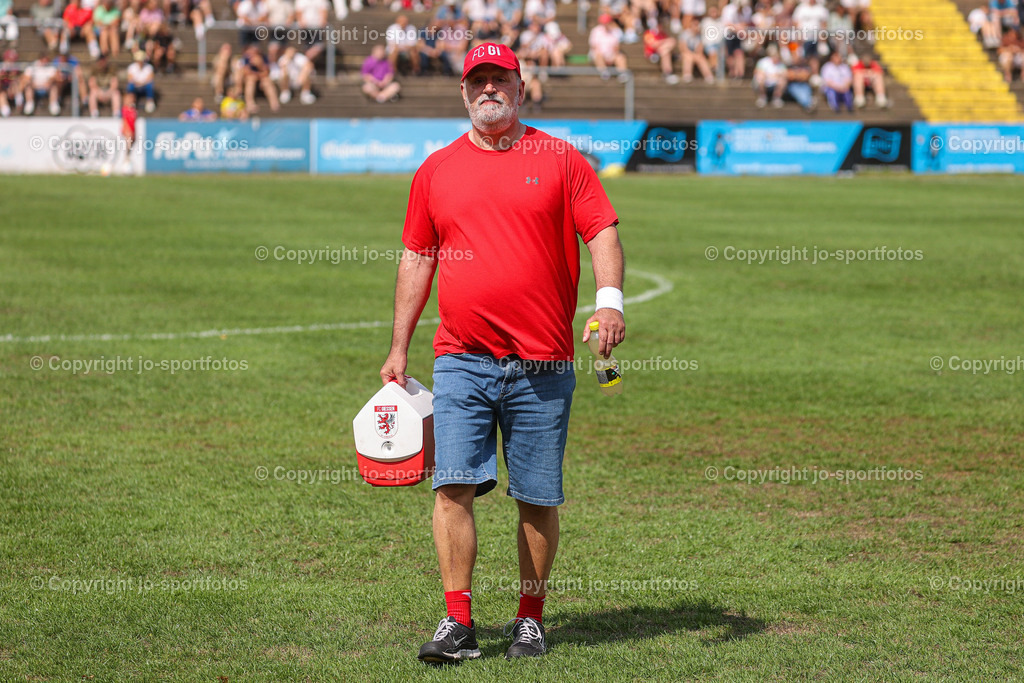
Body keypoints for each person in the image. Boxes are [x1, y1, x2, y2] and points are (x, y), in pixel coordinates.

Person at [379, 41, 625, 665]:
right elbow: (418, 256)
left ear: (521, 88)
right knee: (452, 487)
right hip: (461, 358)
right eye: (478, 80)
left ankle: (530, 620)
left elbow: (600, 228)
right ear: (463, 92)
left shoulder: (560, 158)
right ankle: (457, 622)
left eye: (500, 79)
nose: (488, 88)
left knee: (537, 496)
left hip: (543, 362)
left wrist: (610, 302)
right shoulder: (436, 170)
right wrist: (399, 346)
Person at [589, 13, 629, 81]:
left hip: (611, 54)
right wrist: (605, 56)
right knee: (598, 55)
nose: (606, 24)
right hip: (600, 54)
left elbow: (617, 47)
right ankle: (604, 72)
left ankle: (623, 74)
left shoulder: (615, 31)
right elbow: (594, 46)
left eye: (607, 22)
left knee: (620, 57)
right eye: (604, 22)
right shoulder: (596, 31)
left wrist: (612, 54)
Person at [753, 42, 787, 107]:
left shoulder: (781, 64)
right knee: (760, 77)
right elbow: (758, 72)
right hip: (764, 83)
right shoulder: (763, 62)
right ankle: (762, 97)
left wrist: (771, 76)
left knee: (782, 80)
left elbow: (784, 74)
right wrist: (773, 76)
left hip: (774, 84)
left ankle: (776, 98)